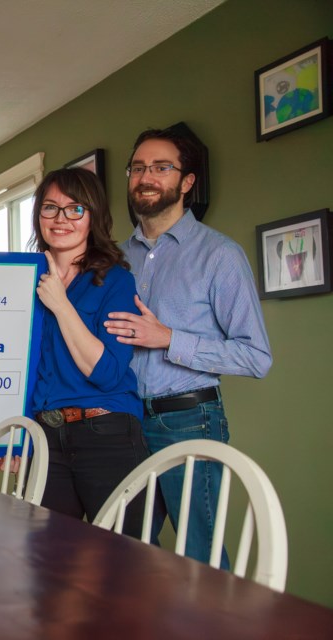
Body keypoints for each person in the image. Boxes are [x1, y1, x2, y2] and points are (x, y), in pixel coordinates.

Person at [104, 127, 272, 566]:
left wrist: (169, 339)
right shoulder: (117, 260)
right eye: (138, 168)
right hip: (121, 420)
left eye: (161, 168)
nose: (147, 177)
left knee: (202, 558)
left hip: (189, 420)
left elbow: (256, 357)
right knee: (127, 553)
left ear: (187, 182)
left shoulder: (220, 255)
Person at [25, 167, 150, 533]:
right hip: (46, 438)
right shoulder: (24, 279)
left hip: (107, 434)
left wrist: (61, 305)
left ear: (92, 216)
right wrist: (19, 439)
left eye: (74, 209)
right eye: (50, 208)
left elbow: (106, 372)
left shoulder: (115, 281)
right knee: (44, 562)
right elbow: (19, 369)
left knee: (124, 562)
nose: (60, 219)